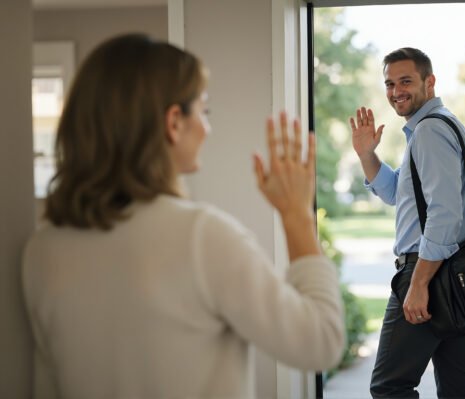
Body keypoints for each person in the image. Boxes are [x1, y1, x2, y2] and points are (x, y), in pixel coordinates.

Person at [22, 33, 344, 399]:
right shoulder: (201, 237)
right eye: (204, 111)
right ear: (174, 122)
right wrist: (296, 216)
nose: (207, 128)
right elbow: (321, 342)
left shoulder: (42, 248)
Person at [349, 47, 465, 398]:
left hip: (430, 274)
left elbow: (444, 213)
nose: (396, 91)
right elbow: (397, 192)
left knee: (389, 387)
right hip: (454, 275)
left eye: (406, 81)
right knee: (458, 388)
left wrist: (419, 284)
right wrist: (367, 154)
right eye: (390, 83)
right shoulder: (437, 128)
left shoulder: (429, 131)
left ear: (430, 81)